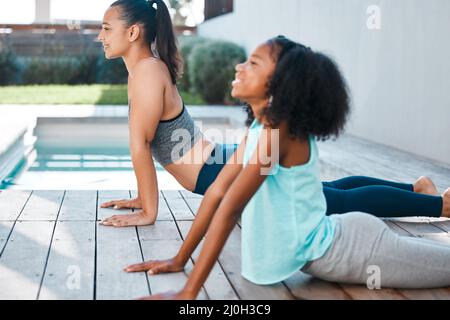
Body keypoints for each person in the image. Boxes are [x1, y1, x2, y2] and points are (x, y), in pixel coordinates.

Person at [125, 36, 450, 299]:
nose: (239, 66)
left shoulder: (277, 134)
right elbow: (217, 192)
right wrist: (178, 260)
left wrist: (189, 292)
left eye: (253, 63)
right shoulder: (258, 131)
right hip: (343, 240)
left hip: (355, 250)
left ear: (279, 84)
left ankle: (436, 203)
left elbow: (229, 207)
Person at [96, 0, 448, 228]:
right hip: (216, 162)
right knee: (325, 192)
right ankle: (418, 189)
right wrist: (142, 198)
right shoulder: (145, 69)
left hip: (214, 168)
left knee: (329, 202)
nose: (101, 36)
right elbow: (148, 143)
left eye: (106, 28)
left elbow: (141, 146)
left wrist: (148, 212)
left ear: (133, 31)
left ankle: (438, 206)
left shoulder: (146, 72)